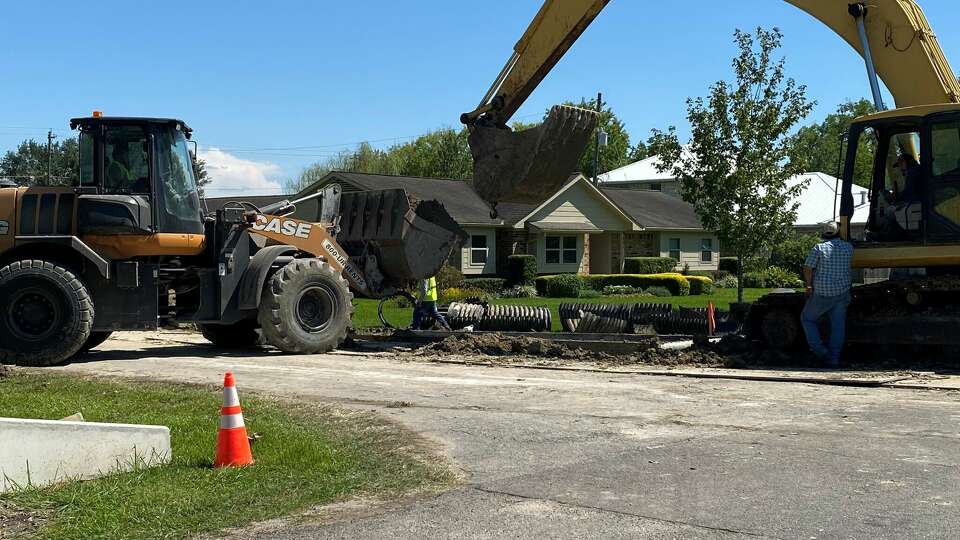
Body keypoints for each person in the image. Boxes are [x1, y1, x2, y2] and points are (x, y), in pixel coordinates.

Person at [800, 222, 854, 367]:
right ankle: (834, 359)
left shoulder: (819, 248)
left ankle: (821, 352)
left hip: (822, 292)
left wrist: (809, 285)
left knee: (807, 319)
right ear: (838, 233)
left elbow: (807, 268)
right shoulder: (848, 248)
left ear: (824, 234)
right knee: (838, 325)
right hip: (842, 292)